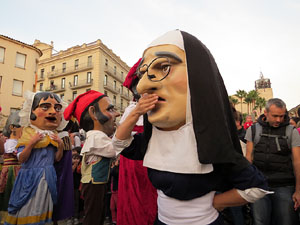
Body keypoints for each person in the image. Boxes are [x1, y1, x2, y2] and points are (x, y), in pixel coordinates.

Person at [113, 30, 269, 225]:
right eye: (143, 73)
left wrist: (217, 202)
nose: (143, 85)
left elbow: (256, 187)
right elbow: (120, 142)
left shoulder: (211, 141)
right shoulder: (152, 141)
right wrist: (136, 112)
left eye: (164, 67)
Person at [5, 91, 68, 225]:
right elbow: (21, 159)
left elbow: (57, 159)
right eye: (45, 107)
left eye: (57, 108)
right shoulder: (28, 134)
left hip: (49, 177)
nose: (53, 112)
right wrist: (32, 143)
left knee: (44, 207)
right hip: (30, 178)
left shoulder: (54, 136)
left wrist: (61, 145)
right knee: (28, 207)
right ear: (31, 112)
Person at [63, 90, 120, 225]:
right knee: (93, 216)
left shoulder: (97, 136)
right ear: (93, 112)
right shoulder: (96, 136)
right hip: (93, 184)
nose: (117, 113)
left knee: (97, 214)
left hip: (97, 183)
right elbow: (115, 150)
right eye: (110, 109)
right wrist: (123, 130)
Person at [245, 98, 300, 225]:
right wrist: (247, 185)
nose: (278, 120)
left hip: (284, 186)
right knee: (260, 221)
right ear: (265, 113)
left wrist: (298, 190)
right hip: (259, 185)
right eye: (275, 116)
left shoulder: (291, 132)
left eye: (282, 116)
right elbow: (249, 159)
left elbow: (297, 162)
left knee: (287, 221)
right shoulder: (253, 130)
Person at [117, 59, 157, 225]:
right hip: (134, 162)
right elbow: (121, 139)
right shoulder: (131, 110)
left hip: (153, 159)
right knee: (137, 199)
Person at [0, 112, 22, 223]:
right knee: (8, 192)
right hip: (11, 171)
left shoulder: (19, 142)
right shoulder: (9, 142)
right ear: (12, 127)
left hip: (16, 169)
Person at [110, 157, 119, 225]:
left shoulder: (118, 169)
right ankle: (114, 220)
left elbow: (113, 173)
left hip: (116, 190)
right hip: (113, 190)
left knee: (117, 207)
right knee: (112, 207)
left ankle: (117, 220)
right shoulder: (115, 168)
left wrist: (115, 165)